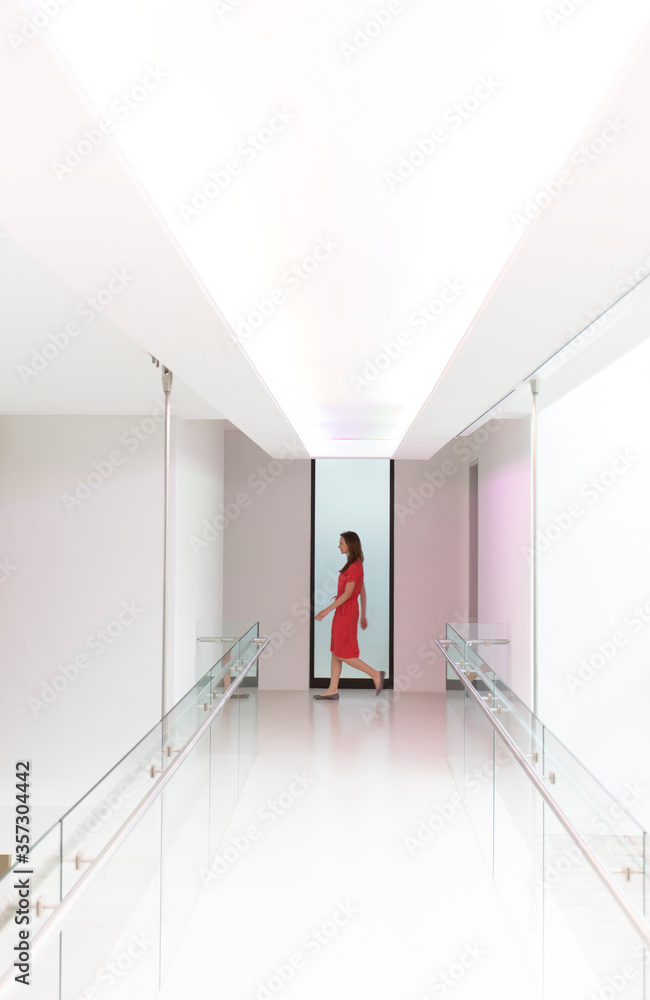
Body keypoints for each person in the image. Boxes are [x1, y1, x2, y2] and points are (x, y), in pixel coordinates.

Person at [313, 531, 385, 700]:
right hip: (346, 611)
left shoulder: (354, 566)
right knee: (335, 650)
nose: (339, 546)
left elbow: (347, 594)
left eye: (341, 543)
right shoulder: (356, 564)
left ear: (349, 545)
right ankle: (332, 689)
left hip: (346, 611)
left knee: (341, 652)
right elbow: (363, 591)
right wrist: (363, 615)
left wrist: (326, 610)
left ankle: (375, 674)